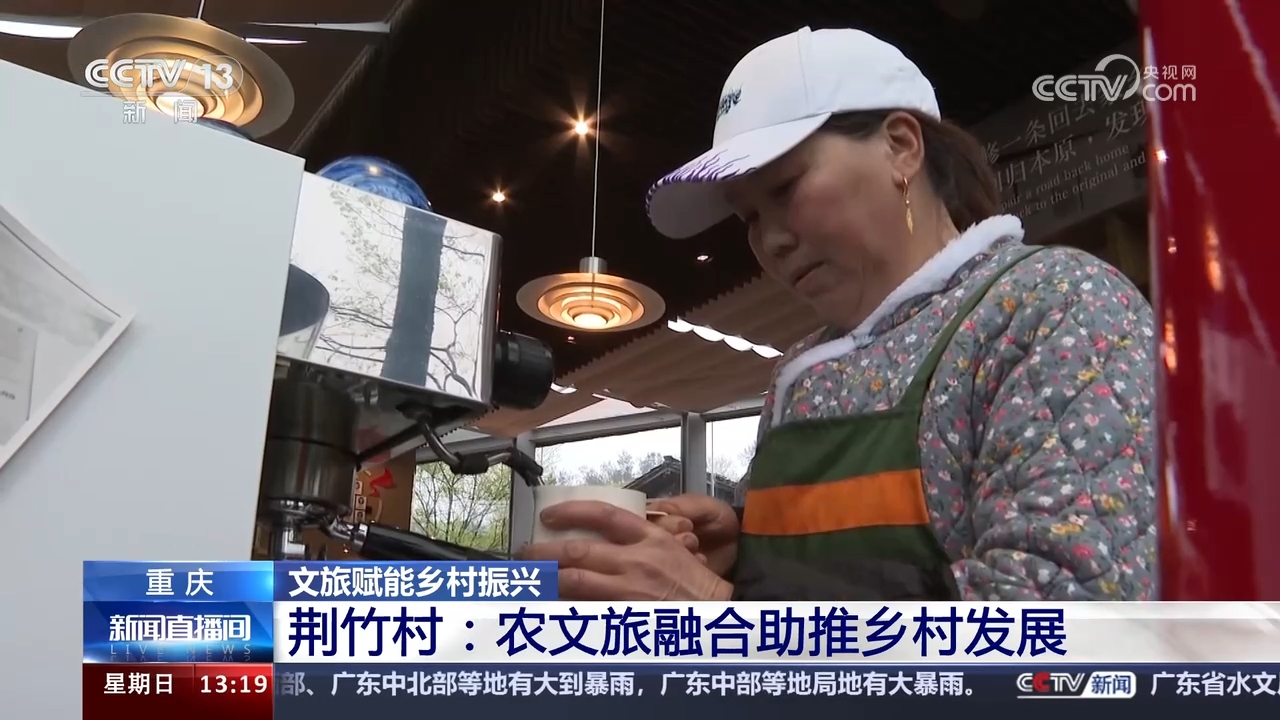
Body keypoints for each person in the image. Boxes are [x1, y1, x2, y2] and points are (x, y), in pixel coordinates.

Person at [518, 27, 1156, 601]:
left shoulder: (1056, 306)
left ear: (901, 147)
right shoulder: (798, 372)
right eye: (749, 216)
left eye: (785, 188)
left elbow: (1067, 620)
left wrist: (717, 608)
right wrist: (744, 550)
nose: (770, 240)